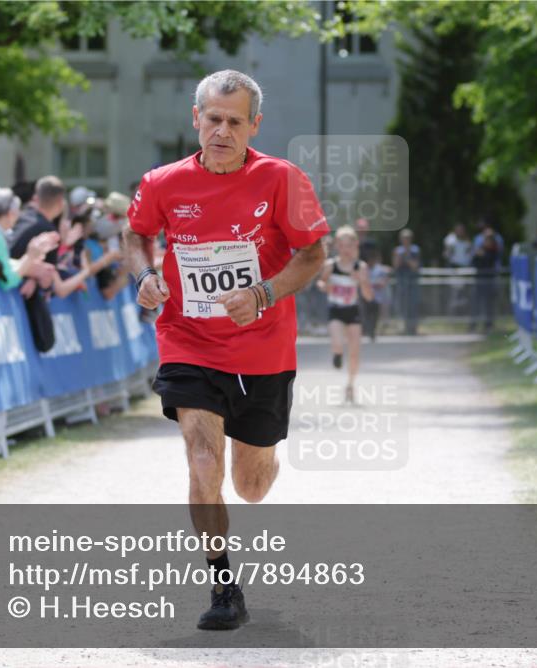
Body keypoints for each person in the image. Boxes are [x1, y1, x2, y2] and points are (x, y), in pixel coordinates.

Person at [125, 69, 328, 631]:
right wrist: (143, 274)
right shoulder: (162, 182)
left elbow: (313, 255)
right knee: (202, 459)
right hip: (187, 340)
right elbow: (137, 233)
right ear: (197, 118)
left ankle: (262, 454)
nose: (221, 131)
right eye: (213, 118)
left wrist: (263, 293)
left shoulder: (281, 178)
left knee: (251, 485)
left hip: (263, 349)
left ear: (253, 125)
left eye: (234, 121)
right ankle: (223, 585)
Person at [317, 225, 373, 403]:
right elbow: (321, 283)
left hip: (353, 311)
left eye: (349, 245)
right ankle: (337, 354)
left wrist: (362, 281)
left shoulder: (360, 267)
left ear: (355, 245)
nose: (346, 249)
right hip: (336, 309)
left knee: (355, 353)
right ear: (337, 247)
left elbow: (368, 296)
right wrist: (326, 287)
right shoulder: (330, 265)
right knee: (338, 343)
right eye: (342, 245)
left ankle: (350, 385)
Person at [470, 224, 502, 333]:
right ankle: (473, 325)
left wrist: (483, 255)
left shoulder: (494, 250)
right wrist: (478, 255)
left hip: (489, 281)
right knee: (476, 304)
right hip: (479, 281)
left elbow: (491, 261)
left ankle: (488, 325)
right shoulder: (479, 249)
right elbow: (474, 262)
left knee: (489, 305)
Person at [392, 228, 420, 335]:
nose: (405, 240)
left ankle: (413, 328)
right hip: (402, 282)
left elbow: (415, 266)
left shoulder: (415, 250)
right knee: (402, 305)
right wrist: (399, 256)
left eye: (407, 238)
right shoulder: (398, 250)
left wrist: (407, 256)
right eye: (404, 238)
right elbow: (395, 266)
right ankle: (403, 328)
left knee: (413, 305)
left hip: (412, 282)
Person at [364, 248, 390, 341]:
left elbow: (384, 281)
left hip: (377, 297)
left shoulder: (380, 270)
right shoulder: (364, 268)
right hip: (366, 296)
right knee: (367, 314)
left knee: (375, 315)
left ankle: (372, 332)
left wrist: (375, 283)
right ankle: (367, 331)